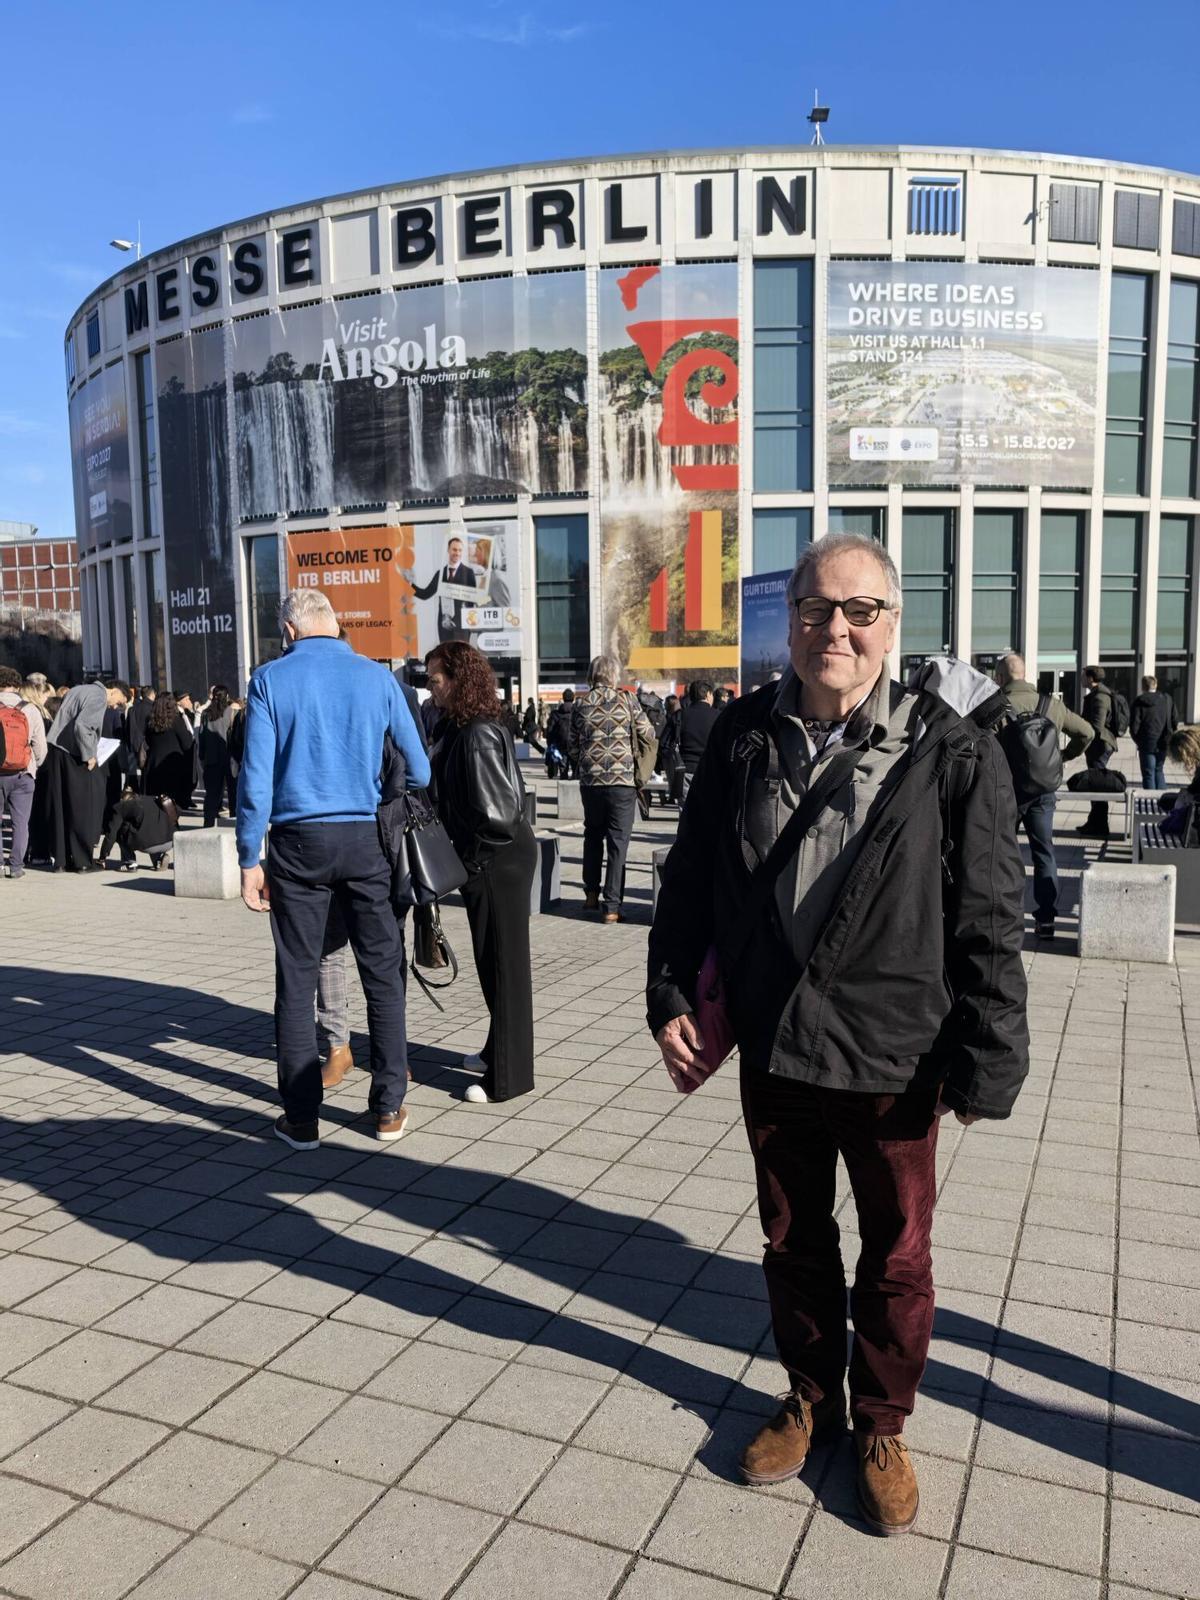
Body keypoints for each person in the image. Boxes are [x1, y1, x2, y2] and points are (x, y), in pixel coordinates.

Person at [648, 532, 1028, 1537]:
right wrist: (670, 992)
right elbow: (691, 882)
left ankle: (883, 1421)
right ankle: (812, 1394)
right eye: (818, 607)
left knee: (897, 1254)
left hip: (894, 1052)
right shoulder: (737, 735)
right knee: (791, 1238)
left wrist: (990, 1051)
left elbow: (989, 909)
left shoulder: (950, 749)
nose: (837, 629)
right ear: (790, 617)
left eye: (861, 611)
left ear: (892, 626)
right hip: (775, 1042)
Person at [237, 589, 429, 1149]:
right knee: (381, 971)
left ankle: (302, 1119)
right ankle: (389, 1107)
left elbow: (255, 781)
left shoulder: (270, 679)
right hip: (365, 838)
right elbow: (418, 768)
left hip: (297, 841)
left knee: (297, 978)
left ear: (290, 630)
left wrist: (251, 857)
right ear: (335, 625)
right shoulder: (376, 677)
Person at [425, 642, 536, 1104]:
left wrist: (469, 860)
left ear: (458, 679)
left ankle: (508, 1080)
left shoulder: (478, 733)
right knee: (494, 964)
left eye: (435, 680)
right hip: (490, 858)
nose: (431, 690)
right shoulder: (466, 727)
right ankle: (497, 1051)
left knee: (504, 968)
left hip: (496, 860)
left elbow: (499, 815)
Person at [995, 653, 1092, 939]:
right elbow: (1087, 733)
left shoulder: (996, 706)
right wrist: (1062, 757)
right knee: (1044, 852)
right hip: (1043, 791)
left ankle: (1003, 915)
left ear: (999, 678)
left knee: (1000, 853)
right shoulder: (1052, 705)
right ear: (1026, 675)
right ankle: (1046, 919)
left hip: (1007, 791)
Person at [569, 655, 655, 923]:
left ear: (592, 675)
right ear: (614, 675)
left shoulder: (580, 703)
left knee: (592, 836)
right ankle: (612, 907)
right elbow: (648, 733)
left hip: (591, 782)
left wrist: (588, 760)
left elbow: (572, 745)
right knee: (618, 842)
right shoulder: (627, 700)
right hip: (622, 782)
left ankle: (591, 896)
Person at [36, 679, 132, 872]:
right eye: (119, 702)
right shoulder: (98, 696)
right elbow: (82, 726)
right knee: (81, 808)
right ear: (113, 691)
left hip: (57, 750)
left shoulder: (78, 689)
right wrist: (89, 755)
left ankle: (61, 861)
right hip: (74, 753)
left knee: (60, 806)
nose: (115, 706)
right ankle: (82, 862)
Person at [0, 666, 47, 879]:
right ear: (17, 686)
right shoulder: (30, 709)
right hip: (23, 773)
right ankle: (16, 867)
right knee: (20, 823)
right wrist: (33, 766)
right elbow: (41, 748)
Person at [1077, 665, 1118, 839]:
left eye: (1083, 676)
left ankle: (1100, 825)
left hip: (1100, 745)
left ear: (1091, 678)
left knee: (1098, 785)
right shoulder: (1097, 694)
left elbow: (1097, 726)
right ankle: (1094, 821)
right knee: (1096, 784)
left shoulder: (1100, 697)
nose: (1081, 679)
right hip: (1097, 745)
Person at [412, 534, 477, 643]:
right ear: (448, 550)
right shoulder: (440, 574)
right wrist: (409, 586)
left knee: (461, 658)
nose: (457, 553)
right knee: (446, 657)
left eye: (460, 550)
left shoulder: (468, 573)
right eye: (454, 550)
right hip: (444, 625)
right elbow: (425, 594)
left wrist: (471, 623)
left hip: (462, 626)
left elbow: (473, 601)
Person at [97, 788, 178, 871]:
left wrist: (102, 857)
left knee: (119, 832)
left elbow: (111, 834)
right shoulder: (151, 799)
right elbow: (177, 811)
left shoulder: (121, 806)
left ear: (122, 799)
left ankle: (130, 863)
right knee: (150, 829)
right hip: (170, 840)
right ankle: (159, 859)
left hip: (149, 845)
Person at [143, 692, 196, 811]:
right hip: (173, 765)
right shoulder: (176, 721)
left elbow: (147, 740)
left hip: (153, 763)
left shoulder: (150, 721)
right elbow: (187, 743)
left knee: (156, 801)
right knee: (171, 800)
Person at [1130, 675, 1178, 792]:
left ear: (1142, 686)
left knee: (1148, 773)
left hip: (1146, 743)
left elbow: (1134, 726)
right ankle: (1161, 803)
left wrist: (1139, 741)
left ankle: (1150, 802)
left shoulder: (1138, 702)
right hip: (1163, 741)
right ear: (1155, 685)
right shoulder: (1167, 699)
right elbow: (1174, 720)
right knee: (1159, 770)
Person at [199, 685, 237, 826]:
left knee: (212, 794)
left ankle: (208, 823)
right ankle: (234, 821)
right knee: (233, 793)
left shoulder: (206, 713)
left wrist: (202, 756)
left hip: (211, 758)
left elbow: (202, 736)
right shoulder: (231, 711)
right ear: (226, 696)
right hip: (229, 757)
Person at [678, 680, 720, 796]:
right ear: (707, 695)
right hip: (710, 769)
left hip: (686, 768)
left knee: (686, 811)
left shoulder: (681, 715)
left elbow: (666, 743)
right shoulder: (718, 716)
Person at [125, 688, 156, 791]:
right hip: (149, 744)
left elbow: (128, 728)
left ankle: (134, 790)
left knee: (133, 772)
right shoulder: (154, 708)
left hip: (135, 744)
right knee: (147, 771)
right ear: (152, 695)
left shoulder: (132, 709)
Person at [544, 690, 575, 778]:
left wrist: (550, 743)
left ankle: (564, 785)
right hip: (575, 744)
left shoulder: (556, 714)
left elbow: (550, 730)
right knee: (576, 769)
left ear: (563, 698)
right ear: (573, 698)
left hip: (561, 744)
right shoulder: (577, 712)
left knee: (563, 767)